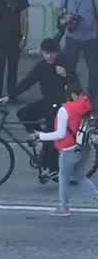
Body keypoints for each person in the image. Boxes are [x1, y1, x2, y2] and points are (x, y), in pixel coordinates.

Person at [40, 77, 98, 216]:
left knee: (63, 178)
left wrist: (40, 135)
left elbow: (60, 134)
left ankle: (64, 208)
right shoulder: (88, 104)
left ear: (71, 95)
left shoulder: (65, 110)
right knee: (79, 176)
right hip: (84, 146)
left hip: (69, 149)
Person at [12, 37, 67, 180]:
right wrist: (10, 96)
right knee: (23, 114)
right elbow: (28, 82)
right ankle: (40, 136)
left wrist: (66, 74)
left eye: (52, 53)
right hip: (47, 102)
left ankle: (54, 169)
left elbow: (75, 83)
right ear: (42, 53)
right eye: (46, 53)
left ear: (57, 52)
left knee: (52, 134)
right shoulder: (41, 67)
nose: (50, 56)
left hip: (61, 106)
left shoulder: (64, 64)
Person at [57, 0, 98, 95]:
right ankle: (74, 94)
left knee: (94, 70)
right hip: (72, 38)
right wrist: (66, 17)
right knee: (69, 68)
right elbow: (60, 12)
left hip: (91, 38)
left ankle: (92, 97)